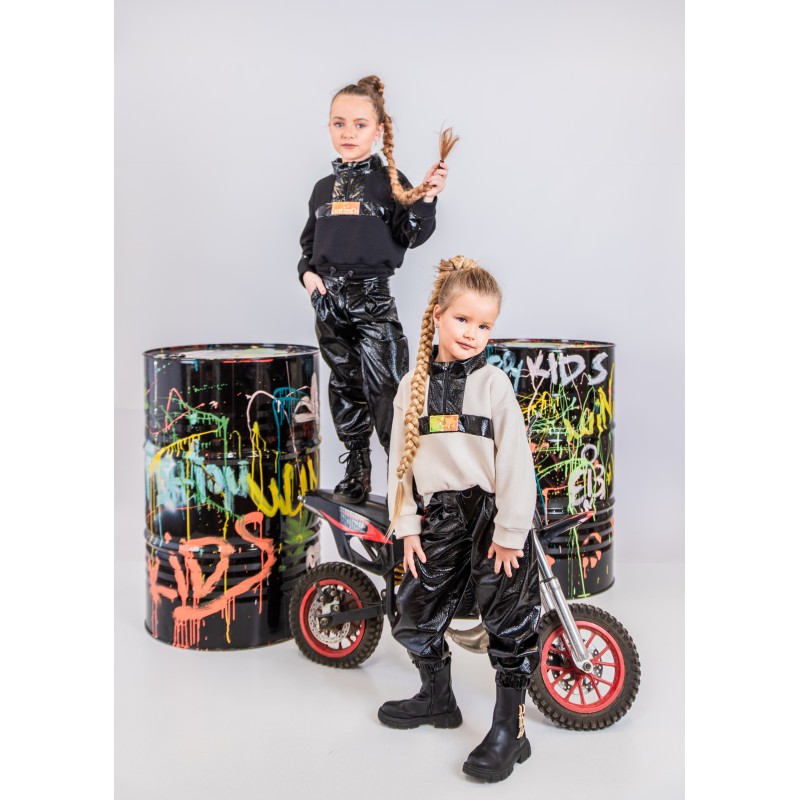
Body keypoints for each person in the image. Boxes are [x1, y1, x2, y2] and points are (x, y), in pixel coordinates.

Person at [380, 256, 541, 784]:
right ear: (437, 317)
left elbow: (515, 463)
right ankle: (437, 698)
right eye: (462, 319)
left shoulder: (493, 384)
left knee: (508, 621)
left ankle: (510, 730)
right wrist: (407, 525)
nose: (473, 333)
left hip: (492, 515)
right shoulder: (412, 387)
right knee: (412, 611)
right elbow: (400, 464)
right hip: (442, 515)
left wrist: (511, 532)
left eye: (484, 325)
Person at [298, 74, 457, 504]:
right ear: (329, 127)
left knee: (388, 390)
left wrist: (427, 198)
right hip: (329, 303)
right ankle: (357, 468)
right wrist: (309, 279)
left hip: (372, 300)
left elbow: (410, 234)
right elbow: (309, 247)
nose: (348, 133)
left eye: (359, 124)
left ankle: (405, 481)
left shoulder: (390, 183)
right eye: (339, 123)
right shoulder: (322, 189)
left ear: (379, 130)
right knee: (344, 387)